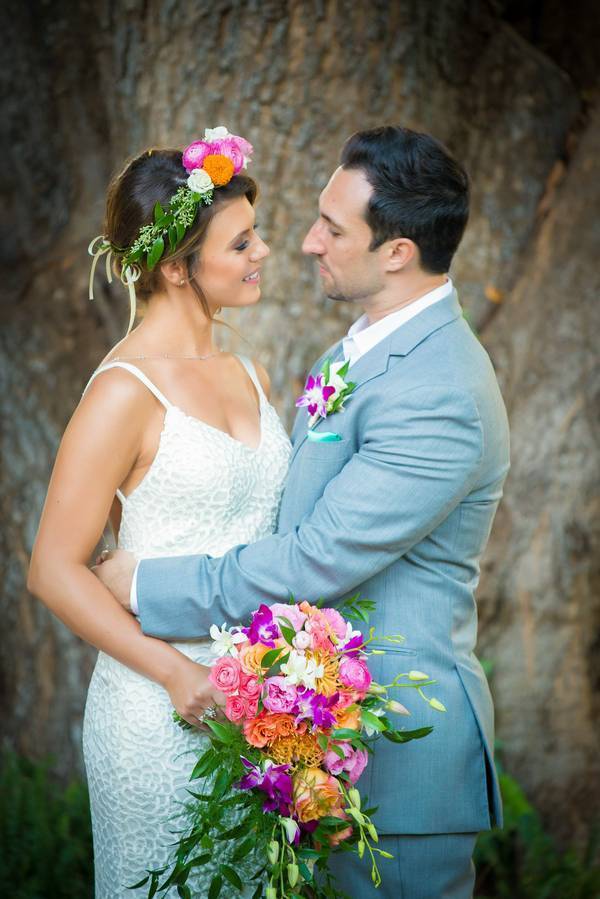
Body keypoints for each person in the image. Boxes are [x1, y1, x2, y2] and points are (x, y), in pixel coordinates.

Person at [97, 125, 511, 898]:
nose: (307, 242)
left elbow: (316, 556)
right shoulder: (361, 352)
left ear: (397, 252)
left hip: (400, 765)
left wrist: (146, 582)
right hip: (307, 743)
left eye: (333, 228)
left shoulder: (440, 392)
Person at [27, 128, 291, 897]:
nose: (263, 251)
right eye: (240, 243)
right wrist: (179, 675)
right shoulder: (123, 392)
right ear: (176, 267)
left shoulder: (251, 370)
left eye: (256, 234)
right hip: (160, 710)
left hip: (263, 712)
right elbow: (53, 569)